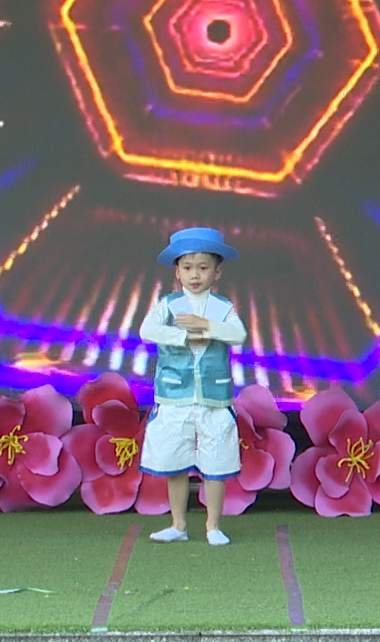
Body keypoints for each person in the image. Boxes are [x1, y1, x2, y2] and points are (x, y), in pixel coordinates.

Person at [138, 226, 247, 547]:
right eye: (187, 267)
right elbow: (147, 331)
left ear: (217, 272)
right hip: (175, 395)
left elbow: (238, 334)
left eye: (203, 267)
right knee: (175, 461)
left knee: (216, 461)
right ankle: (178, 524)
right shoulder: (168, 305)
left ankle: (213, 526)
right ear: (177, 272)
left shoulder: (222, 308)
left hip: (213, 397)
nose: (195, 275)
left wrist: (206, 326)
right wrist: (184, 336)